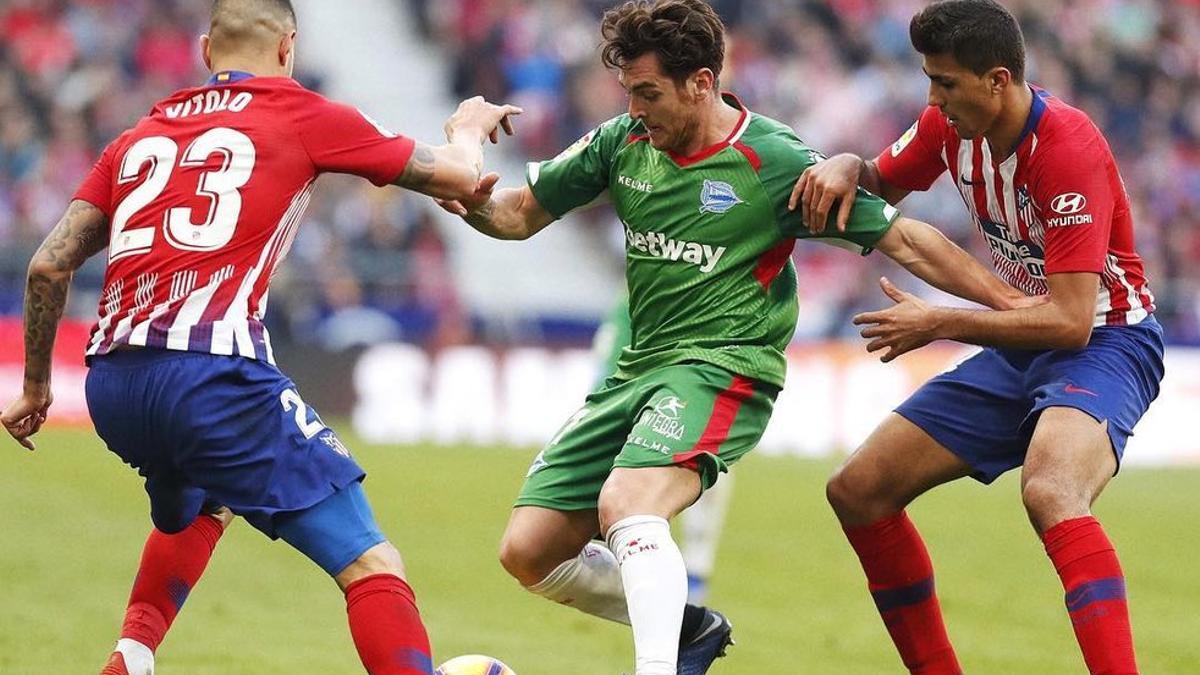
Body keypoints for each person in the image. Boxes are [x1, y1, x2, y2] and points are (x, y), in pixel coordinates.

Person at [437, 2, 1028, 672]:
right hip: (639, 369)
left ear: (702, 82)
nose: (635, 110)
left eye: (649, 93)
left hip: (724, 365)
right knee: (528, 548)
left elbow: (906, 239)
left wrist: (1012, 306)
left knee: (628, 502)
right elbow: (516, 216)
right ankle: (686, 628)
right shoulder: (621, 144)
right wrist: (467, 183)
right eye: (628, 93)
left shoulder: (771, 162)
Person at [0, 1, 519, 674]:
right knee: (371, 561)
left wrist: (37, 384)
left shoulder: (138, 136)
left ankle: (130, 658)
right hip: (212, 376)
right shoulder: (304, 112)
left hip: (114, 385)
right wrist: (468, 127)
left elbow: (47, 265)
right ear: (287, 48)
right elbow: (461, 178)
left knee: (210, 491)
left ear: (204, 48)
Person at [794, 1, 1164, 673]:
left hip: (1109, 341)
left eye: (947, 83)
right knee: (857, 490)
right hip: (1019, 340)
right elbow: (880, 180)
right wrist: (848, 161)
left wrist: (939, 321)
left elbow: (1070, 319)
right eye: (930, 80)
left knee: (1052, 491)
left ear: (997, 79)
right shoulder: (946, 126)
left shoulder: (1068, 149)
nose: (932, 98)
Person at [593, 293, 733, 606]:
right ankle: (629, 563)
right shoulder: (632, 300)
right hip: (640, 359)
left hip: (705, 356)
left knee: (709, 457)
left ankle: (695, 566)